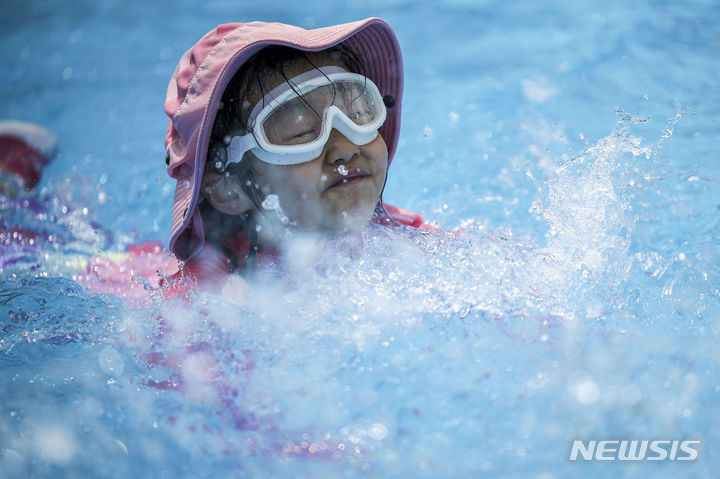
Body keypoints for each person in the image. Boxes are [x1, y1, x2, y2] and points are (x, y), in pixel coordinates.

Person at [162, 17, 434, 294]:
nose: (346, 148)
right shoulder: (207, 294)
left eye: (357, 114)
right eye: (301, 131)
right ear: (227, 189)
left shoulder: (409, 240)